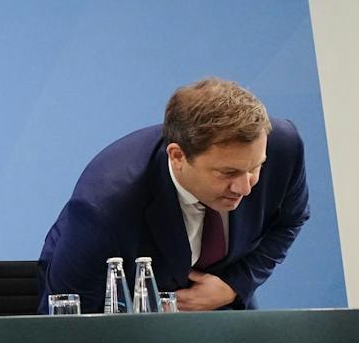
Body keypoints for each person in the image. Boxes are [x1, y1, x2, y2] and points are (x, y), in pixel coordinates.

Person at [37, 77, 309, 313]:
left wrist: (235, 285)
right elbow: (69, 322)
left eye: (255, 168)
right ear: (177, 156)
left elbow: (290, 221)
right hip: (129, 329)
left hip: (226, 314)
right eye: (227, 173)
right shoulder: (105, 206)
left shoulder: (284, 148)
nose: (245, 187)